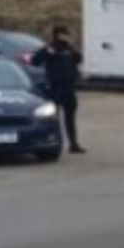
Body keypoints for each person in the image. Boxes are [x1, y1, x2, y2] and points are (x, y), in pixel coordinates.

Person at [29, 25, 85, 154]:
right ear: (58, 35)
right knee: (53, 118)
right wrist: (46, 53)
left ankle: (73, 144)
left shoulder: (69, 48)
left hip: (69, 88)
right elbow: (35, 61)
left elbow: (78, 59)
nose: (66, 36)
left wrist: (73, 48)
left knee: (70, 117)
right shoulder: (50, 48)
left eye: (67, 34)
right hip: (55, 88)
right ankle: (55, 142)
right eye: (64, 34)